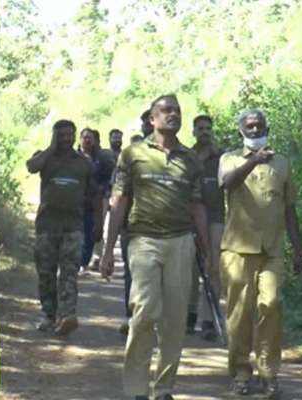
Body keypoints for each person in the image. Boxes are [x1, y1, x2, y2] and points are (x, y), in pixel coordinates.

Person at [100, 95, 211, 400]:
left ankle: (164, 390)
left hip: (180, 242)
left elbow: (197, 204)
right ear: (152, 118)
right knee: (146, 311)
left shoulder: (190, 159)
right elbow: (119, 200)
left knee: (174, 320)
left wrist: (206, 248)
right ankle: (137, 389)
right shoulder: (132, 154)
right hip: (143, 240)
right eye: (166, 111)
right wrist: (109, 249)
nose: (173, 115)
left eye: (177, 111)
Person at [218, 109, 302, 398]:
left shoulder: (282, 163)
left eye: (259, 126)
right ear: (241, 130)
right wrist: (253, 161)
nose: (255, 130)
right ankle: (241, 372)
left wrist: (298, 249)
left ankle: (269, 372)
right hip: (237, 250)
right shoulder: (230, 159)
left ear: (267, 127)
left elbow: (289, 209)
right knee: (239, 314)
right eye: (249, 126)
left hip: (272, 249)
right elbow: (226, 183)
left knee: (271, 305)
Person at [26, 119, 95, 335]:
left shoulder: (84, 163)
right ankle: (49, 314)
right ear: (54, 136)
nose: (66, 139)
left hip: (73, 226)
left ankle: (67, 316)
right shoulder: (45, 157)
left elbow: (94, 195)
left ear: (75, 136)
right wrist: (51, 148)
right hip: (47, 225)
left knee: (69, 272)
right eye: (61, 135)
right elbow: (31, 167)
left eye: (69, 135)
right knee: (46, 272)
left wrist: (99, 224)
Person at [186, 115, 226, 341]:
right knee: (190, 270)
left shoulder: (221, 157)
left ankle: (209, 320)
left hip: (217, 218)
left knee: (213, 268)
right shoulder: (187, 156)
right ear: (193, 131)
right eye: (200, 128)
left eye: (208, 128)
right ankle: (190, 315)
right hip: (189, 220)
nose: (205, 132)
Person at [118, 117, 151, 336]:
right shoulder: (130, 156)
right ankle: (132, 318)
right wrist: (118, 227)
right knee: (132, 273)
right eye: (146, 123)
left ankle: (151, 320)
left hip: (165, 229)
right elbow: (120, 194)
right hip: (133, 226)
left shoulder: (177, 155)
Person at [78, 128, 110, 272]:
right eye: (84, 137)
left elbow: (108, 177)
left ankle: (87, 261)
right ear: (80, 139)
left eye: (90, 137)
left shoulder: (101, 158)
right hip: (76, 202)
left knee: (93, 230)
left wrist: (102, 190)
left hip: (96, 200)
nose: (87, 140)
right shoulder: (74, 157)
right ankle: (77, 262)